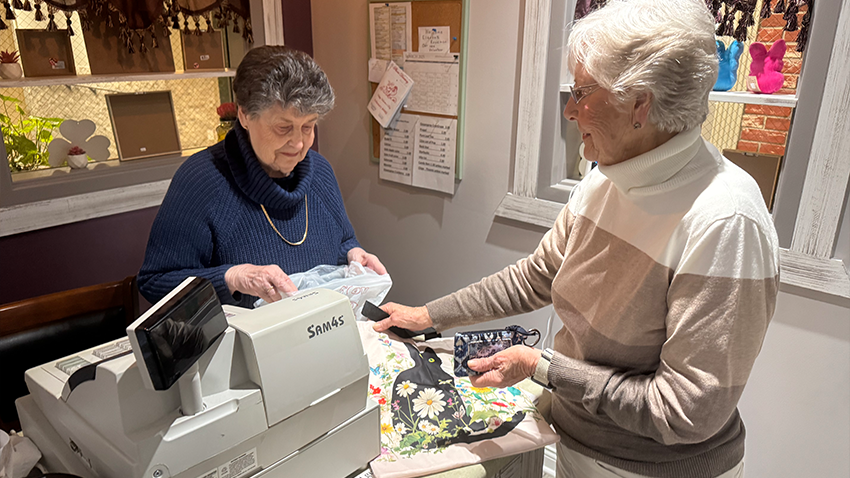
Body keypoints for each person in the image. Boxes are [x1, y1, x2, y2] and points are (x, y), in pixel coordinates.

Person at [374, 1, 779, 477]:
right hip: (573, 441)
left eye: (582, 92)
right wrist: (427, 316)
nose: (569, 110)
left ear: (640, 103)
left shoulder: (726, 221)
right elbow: (536, 277)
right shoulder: (606, 177)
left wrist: (543, 367)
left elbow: (684, 411)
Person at [139, 46, 385, 308]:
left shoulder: (320, 173)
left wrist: (353, 254)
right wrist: (232, 277)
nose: (299, 143)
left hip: (319, 327)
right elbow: (155, 282)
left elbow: (342, 241)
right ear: (244, 115)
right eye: (283, 127)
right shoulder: (202, 180)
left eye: (308, 126)